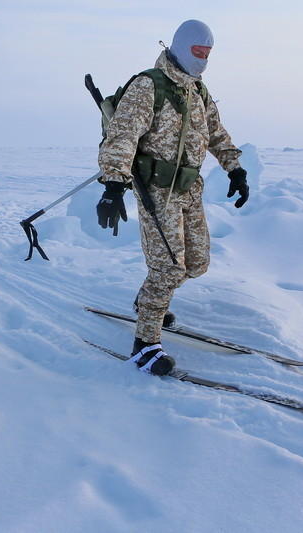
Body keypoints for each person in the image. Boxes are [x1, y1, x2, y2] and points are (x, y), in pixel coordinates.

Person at [96, 20, 249, 375]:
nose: (204, 59)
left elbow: (217, 134)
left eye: (209, 54)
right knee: (168, 267)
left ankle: (148, 299)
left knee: (196, 263)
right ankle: (145, 342)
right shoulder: (149, 85)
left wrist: (235, 169)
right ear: (181, 47)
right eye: (199, 51)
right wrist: (113, 185)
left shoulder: (199, 92)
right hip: (156, 192)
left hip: (190, 190)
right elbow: (121, 135)